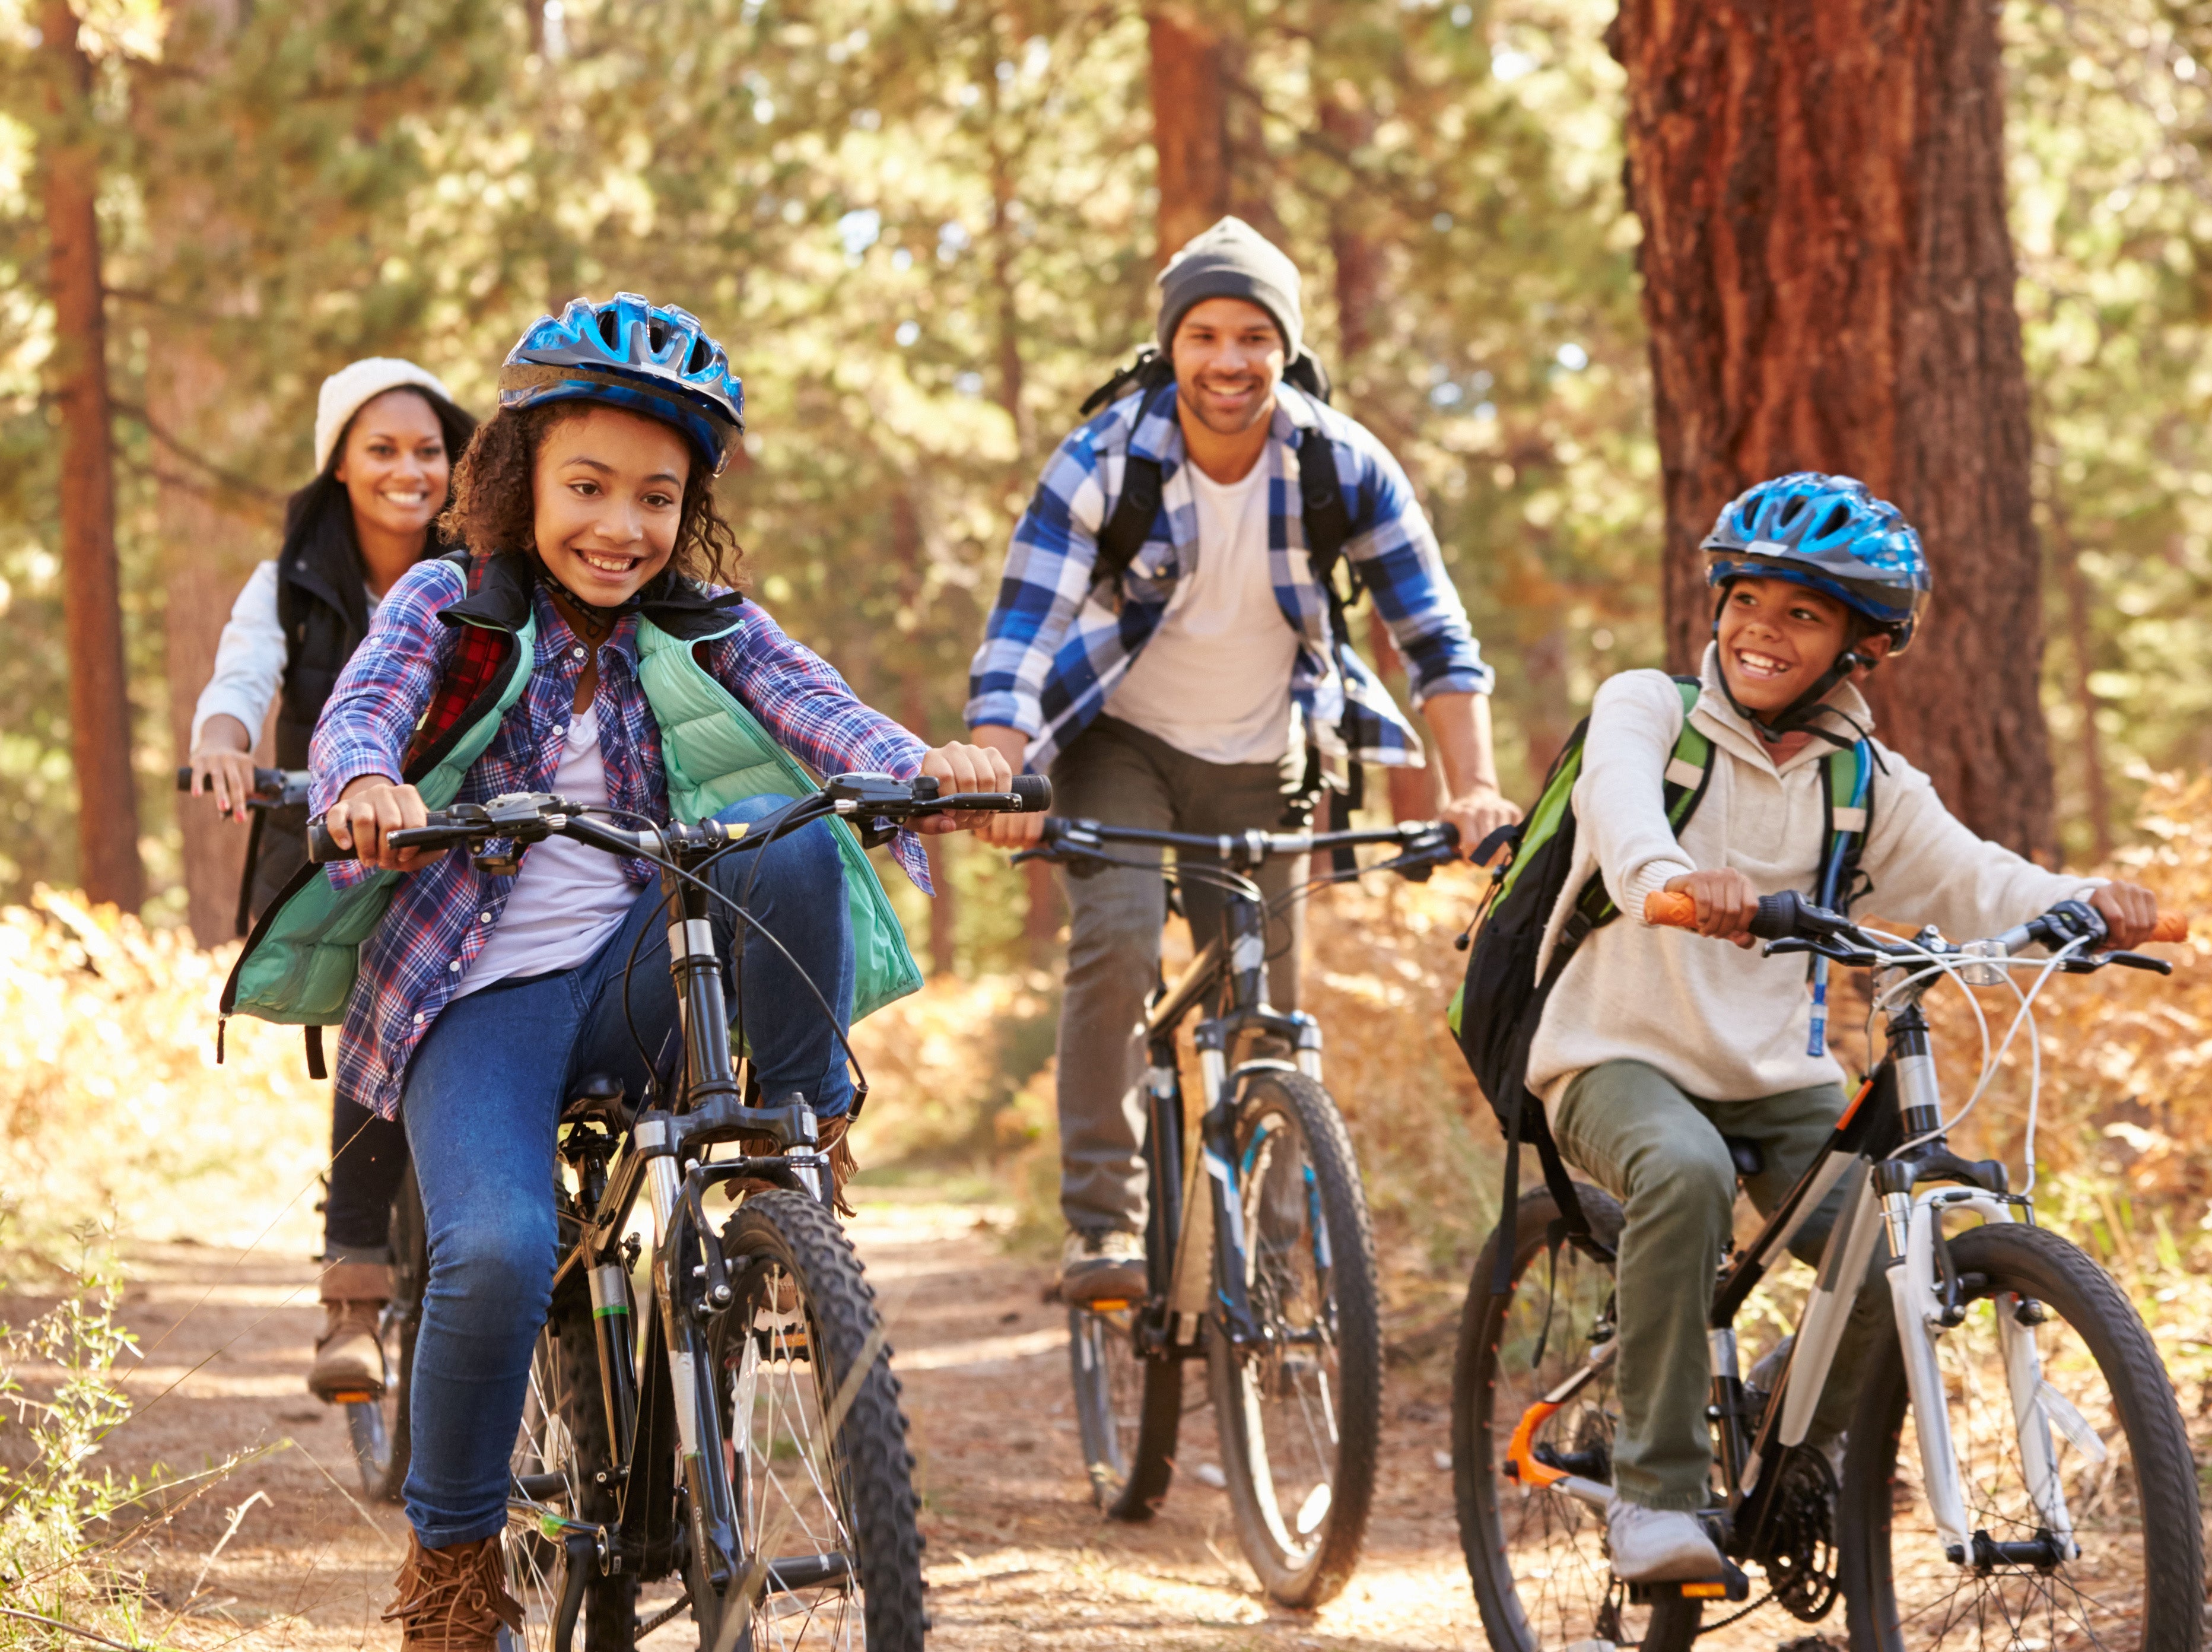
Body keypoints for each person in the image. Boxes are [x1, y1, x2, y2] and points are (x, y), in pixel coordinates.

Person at [290, 293, 1005, 1647]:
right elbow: (366, 704)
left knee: (782, 836)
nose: (620, 527)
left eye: (656, 499)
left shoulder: (706, 623)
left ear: (692, 510)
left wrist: (920, 770)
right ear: (517, 478)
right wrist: (370, 782)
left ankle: (790, 1163)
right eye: (587, 487)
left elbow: (826, 714)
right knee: (497, 1253)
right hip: (478, 998)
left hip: (637, 973)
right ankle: (451, 1577)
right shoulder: (453, 601)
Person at [1523, 472, 2160, 1583]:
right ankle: (1654, 1494)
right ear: (1716, 604)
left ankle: (1791, 1433)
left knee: (1895, 1237)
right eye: (1747, 601)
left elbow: (1973, 876)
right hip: (1612, 1054)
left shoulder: (1864, 780)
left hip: (1775, 1072)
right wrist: (1674, 877)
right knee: (1680, 1172)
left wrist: (2088, 901)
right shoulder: (1651, 711)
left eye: (1803, 615)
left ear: (1859, 646)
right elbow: (1622, 818)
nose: (1761, 631)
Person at [967, 216, 1519, 1304]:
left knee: (1267, 1017)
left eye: (1254, 336)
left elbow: (1437, 640)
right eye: (1206, 334)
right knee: (1119, 938)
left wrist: (1475, 789)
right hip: (1118, 741)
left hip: (1268, 750)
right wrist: (1002, 767)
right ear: (1172, 344)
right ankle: (1102, 1225)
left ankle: (1269, 1267)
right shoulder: (1104, 458)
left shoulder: (1342, 463)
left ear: (1286, 346)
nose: (1230, 360)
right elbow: (1023, 633)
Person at [185, 358, 476, 1403]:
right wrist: (223, 746)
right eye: (383, 450)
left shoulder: (492, 564)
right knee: (379, 1003)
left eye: (430, 450)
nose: (411, 471)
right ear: (340, 468)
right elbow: (240, 682)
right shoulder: (289, 582)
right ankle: (353, 1298)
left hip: (476, 831)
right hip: (347, 843)